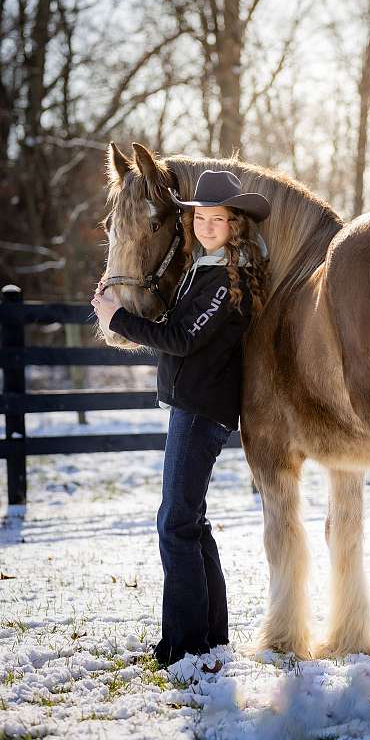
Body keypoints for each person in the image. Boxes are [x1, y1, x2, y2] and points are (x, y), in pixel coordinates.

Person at [91, 170, 271, 669]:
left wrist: (117, 321)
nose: (207, 225)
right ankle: (209, 636)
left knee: (174, 523)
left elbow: (183, 338)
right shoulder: (202, 268)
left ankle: (183, 645)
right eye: (200, 217)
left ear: (234, 224)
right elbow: (174, 326)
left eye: (218, 218)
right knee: (192, 521)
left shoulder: (228, 278)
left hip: (202, 411)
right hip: (191, 406)